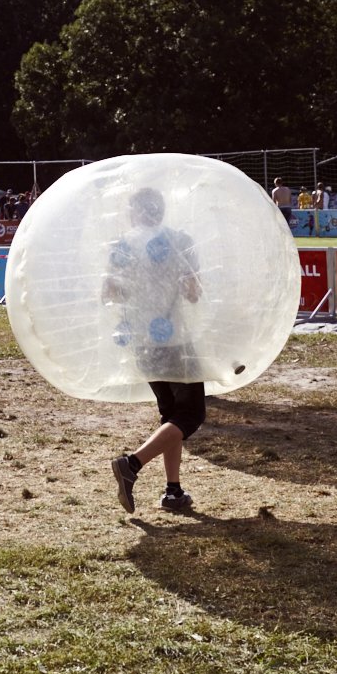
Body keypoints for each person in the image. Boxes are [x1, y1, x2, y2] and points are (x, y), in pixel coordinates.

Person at [106, 187, 204, 514]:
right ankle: (131, 464)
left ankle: (173, 491)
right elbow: (193, 294)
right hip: (175, 340)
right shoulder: (180, 240)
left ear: (134, 212)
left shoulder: (122, 246)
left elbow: (109, 293)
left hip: (142, 343)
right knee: (190, 414)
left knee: (170, 415)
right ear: (160, 210)